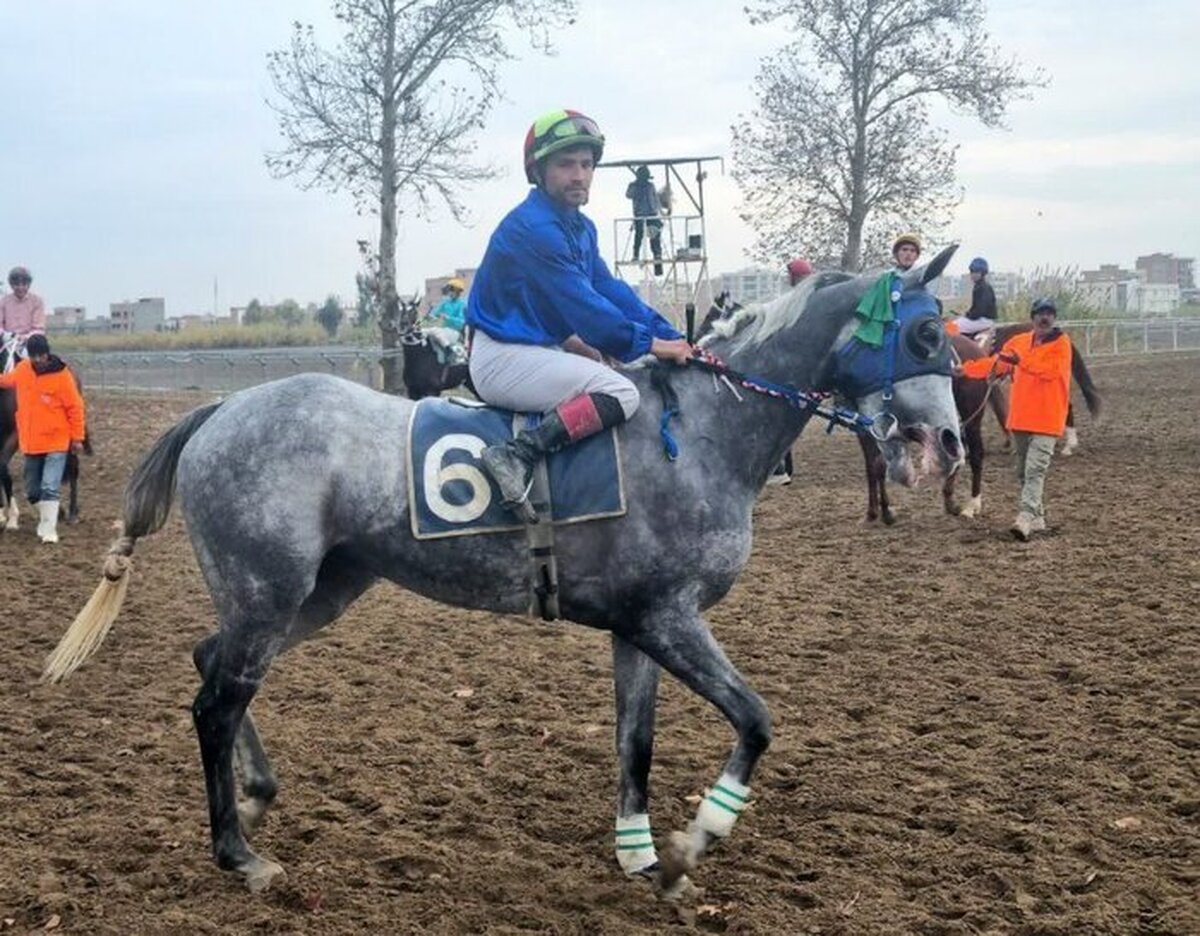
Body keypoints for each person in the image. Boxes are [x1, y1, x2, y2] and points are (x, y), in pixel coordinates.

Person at [467, 108, 692, 522]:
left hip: (534, 348)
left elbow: (611, 291)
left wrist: (673, 336)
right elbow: (589, 313)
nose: (579, 175)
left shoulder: (579, 227)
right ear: (539, 171)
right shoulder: (535, 229)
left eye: (587, 164)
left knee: (622, 372)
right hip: (502, 357)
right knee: (623, 394)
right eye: (566, 164)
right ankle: (517, 454)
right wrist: (655, 346)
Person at [956, 297, 1071, 541]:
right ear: (1033, 317)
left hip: (1047, 419)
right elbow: (995, 365)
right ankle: (1038, 517)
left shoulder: (1062, 345)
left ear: (1054, 318)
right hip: (1020, 418)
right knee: (1022, 471)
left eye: (1049, 313)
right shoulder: (1019, 342)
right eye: (1040, 313)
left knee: (1035, 470)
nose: (1045, 317)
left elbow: (1049, 371)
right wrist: (966, 370)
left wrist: (1021, 361)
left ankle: (1025, 518)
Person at [0, 333, 86, 543]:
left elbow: (75, 407)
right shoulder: (23, 369)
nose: (37, 360)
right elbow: (6, 380)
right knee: (32, 490)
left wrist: (77, 437)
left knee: (49, 485)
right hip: (32, 441)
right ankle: (49, 516)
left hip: (56, 439)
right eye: (34, 356)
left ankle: (49, 530)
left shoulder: (63, 376)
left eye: (41, 355)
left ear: (47, 353)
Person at [625, 165, 664, 275]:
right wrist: (637, 187)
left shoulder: (650, 186)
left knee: (655, 236)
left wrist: (659, 212)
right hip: (640, 215)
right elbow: (628, 195)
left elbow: (655, 200)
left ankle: (657, 256)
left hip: (651, 214)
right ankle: (636, 254)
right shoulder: (633, 186)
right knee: (639, 235)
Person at [0, 266, 47, 355]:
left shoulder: (37, 301)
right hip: (7, 340)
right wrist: (7, 336)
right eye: (17, 284)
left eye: (24, 284)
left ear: (28, 284)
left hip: (30, 340)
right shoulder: (3, 301)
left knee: (40, 345)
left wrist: (25, 337)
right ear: (11, 285)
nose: (20, 288)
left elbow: (39, 328)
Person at [952, 257, 997, 337]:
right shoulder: (980, 286)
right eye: (971, 271)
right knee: (957, 321)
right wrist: (967, 314)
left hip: (983, 320)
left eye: (976, 272)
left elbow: (979, 310)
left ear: (982, 273)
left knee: (952, 327)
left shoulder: (983, 288)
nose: (972, 274)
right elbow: (975, 309)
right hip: (981, 319)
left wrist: (968, 315)